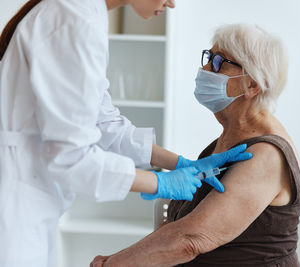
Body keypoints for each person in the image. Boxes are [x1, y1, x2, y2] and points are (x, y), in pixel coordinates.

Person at [0, 0, 253, 266]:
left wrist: (179, 163)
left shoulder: (83, 14)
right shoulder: (74, 20)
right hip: (15, 205)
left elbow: (105, 123)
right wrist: (160, 183)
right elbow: (72, 158)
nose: (172, 3)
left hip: (29, 202)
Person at [90, 23, 300, 267]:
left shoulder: (266, 154)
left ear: (253, 85)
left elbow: (190, 239)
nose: (205, 69)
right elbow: (179, 226)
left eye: (219, 62)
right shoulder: (232, 136)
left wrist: (114, 264)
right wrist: (118, 259)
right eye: (208, 57)